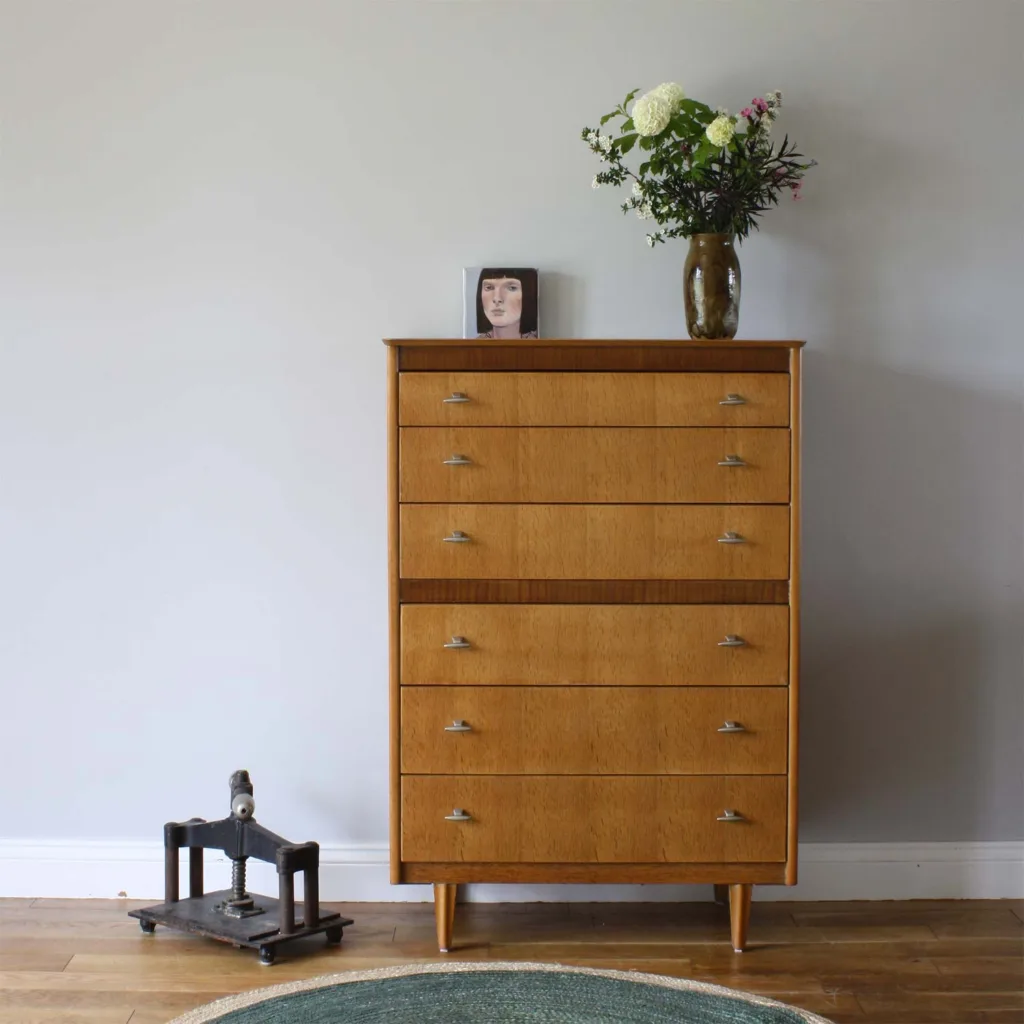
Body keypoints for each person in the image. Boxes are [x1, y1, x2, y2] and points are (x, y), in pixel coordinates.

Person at [476, 267, 538, 338]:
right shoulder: (472, 347)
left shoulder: (538, 347)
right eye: (489, 287)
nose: (497, 298)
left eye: (512, 288)